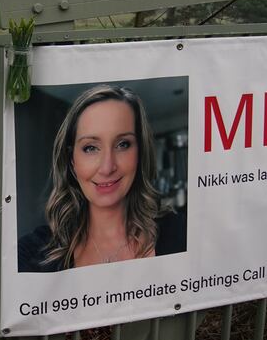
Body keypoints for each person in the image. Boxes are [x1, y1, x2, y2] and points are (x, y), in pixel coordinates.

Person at [18, 84, 185, 272]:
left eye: (123, 144)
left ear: (140, 153)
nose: (107, 167)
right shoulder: (31, 253)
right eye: (90, 148)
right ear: (72, 160)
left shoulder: (181, 233)